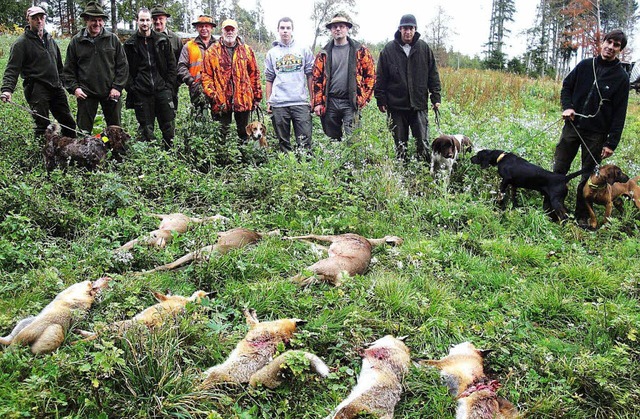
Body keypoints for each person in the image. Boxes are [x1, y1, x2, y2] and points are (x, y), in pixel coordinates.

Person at [552, 29, 630, 223]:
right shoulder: (585, 66)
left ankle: (581, 213)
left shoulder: (621, 77)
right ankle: (553, 205)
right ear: (602, 42)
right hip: (573, 126)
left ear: (620, 50)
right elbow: (567, 87)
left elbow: (620, 113)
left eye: (616, 45)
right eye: (609, 42)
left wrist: (611, 142)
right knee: (560, 167)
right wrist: (568, 107)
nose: (610, 47)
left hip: (597, 134)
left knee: (587, 175)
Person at [1, 6, 76, 138]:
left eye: (41, 17)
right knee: (42, 125)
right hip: (37, 88)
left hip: (56, 87)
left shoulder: (50, 40)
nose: (39, 21)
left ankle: (69, 152)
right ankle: (43, 155)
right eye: (35, 18)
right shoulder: (21, 43)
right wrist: (7, 90)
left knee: (68, 123)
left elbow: (59, 67)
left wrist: (69, 86)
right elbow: (12, 69)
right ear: (28, 20)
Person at [374, 14, 441, 163]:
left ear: (415, 29)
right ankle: (402, 171)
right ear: (400, 29)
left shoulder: (424, 48)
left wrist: (436, 97)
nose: (407, 32)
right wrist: (381, 99)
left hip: (418, 105)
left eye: (410, 28)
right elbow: (380, 76)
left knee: (423, 142)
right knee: (400, 143)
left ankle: (423, 170)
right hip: (396, 106)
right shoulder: (389, 50)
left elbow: (433, 74)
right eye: (405, 28)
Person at [62, 1, 128, 135]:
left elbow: (123, 66)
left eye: (100, 20)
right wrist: (75, 88)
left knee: (115, 131)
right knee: (83, 131)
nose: (97, 24)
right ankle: (84, 155)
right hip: (86, 94)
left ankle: (116, 154)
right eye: (93, 20)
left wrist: (117, 87)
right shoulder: (76, 41)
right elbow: (68, 70)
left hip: (110, 93)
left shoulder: (112, 39)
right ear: (86, 20)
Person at [311, 14, 375, 141]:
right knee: (332, 140)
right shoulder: (323, 53)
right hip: (330, 102)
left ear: (347, 29)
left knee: (353, 140)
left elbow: (371, 75)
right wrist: (318, 103)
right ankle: (336, 160)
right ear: (331, 30)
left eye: (341, 26)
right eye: (334, 27)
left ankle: (353, 161)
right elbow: (316, 79)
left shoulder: (360, 51)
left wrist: (363, 99)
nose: (338, 29)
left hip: (350, 102)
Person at [124, 7, 177, 150]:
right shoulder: (130, 44)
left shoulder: (162, 40)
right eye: (142, 20)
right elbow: (125, 69)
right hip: (141, 91)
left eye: (147, 20)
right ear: (137, 21)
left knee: (168, 125)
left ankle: (170, 154)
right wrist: (132, 88)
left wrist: (168, 86)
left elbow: (172, 65)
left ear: (151, 21)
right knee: (146, 128)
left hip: (162, 89)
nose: (145, 23)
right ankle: (150, 156)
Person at [202, 19, 262, 142]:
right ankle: (222, 159)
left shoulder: (246, 50)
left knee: (244, 133)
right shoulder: (212, 51)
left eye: (232, 29)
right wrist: (213, 95)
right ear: (222, 31)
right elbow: (206, 76)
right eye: (226, 29)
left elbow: (254, 74)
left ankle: (244, 157)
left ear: (237, 31)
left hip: (243, 99)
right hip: (221, 101)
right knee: (221, 133)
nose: (229, 32)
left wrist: (256, 97)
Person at [264, 17, 314, 152]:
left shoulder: (303, 49)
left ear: (292, 30)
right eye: (282, 28)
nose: (285, 31)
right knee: (283, 142)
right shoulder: (272, 53)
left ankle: (305, 169)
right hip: (279, 103)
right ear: (278, 30)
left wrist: (313, 98)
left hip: (300, 102)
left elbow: (310, 75)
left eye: (288, 28)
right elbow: (269, 78)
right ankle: (288, 169)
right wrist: (268, 101)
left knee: (305, 140)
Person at [177, 15, 216, 112]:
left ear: (211, 28)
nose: (204, 29)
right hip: (197, 89)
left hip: (216, 88)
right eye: (201, 26)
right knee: (198, 118)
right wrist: (191, 82)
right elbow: (181, 66)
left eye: (206, 26)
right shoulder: (189, 46)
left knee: (218, 121)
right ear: (197, 28)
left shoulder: (219, 45)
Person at [151, 5, 183, 109]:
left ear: (166, 19)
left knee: (169, 121)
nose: (158, 21)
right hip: (149, 88)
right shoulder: (145, 38)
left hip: (170, 88)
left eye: (161, 18)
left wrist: (175, 83)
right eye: (155, 19)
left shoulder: (175, 39)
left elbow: (181, 63)